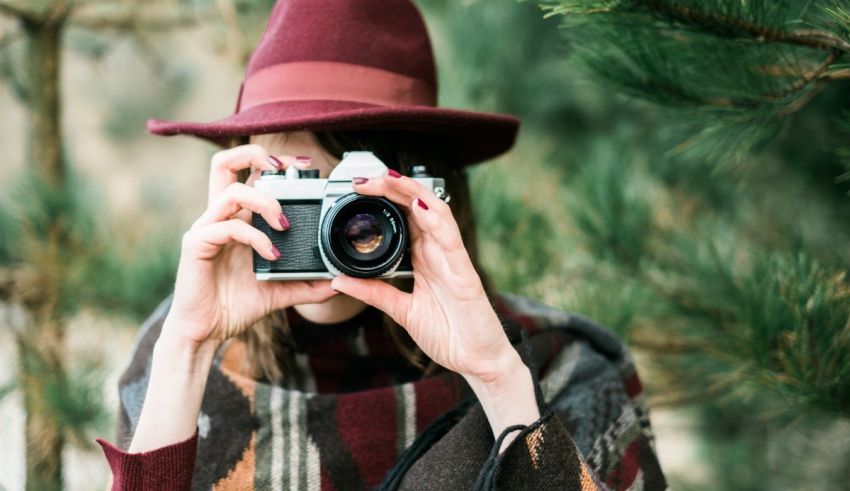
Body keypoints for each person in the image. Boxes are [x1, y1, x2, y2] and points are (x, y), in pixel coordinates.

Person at [97, 0, 667, 489]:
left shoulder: (559, 364)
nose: (335, 225)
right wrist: (189, 351)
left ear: (431, 193)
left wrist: (499, 378)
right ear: (248, 188)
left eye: (356, 196)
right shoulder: (176, 354)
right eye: (297, 188)